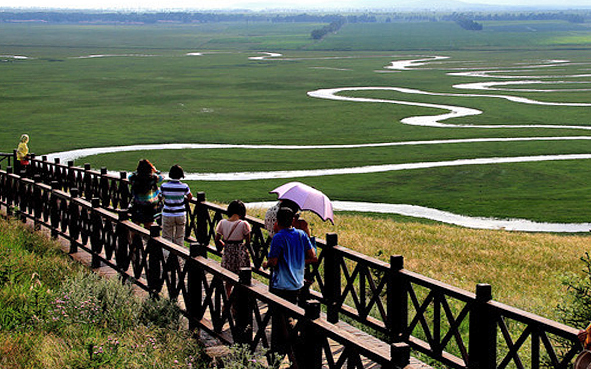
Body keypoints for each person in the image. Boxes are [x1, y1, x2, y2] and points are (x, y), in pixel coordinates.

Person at [262, 207, 317, 363]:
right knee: (290, 317)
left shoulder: (278, 237)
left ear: (277, 221)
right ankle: (294, 354)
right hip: (297, 284)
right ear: (293, 220)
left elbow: (273, 262)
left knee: (280, 323)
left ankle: (286, 355)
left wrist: (266, 264)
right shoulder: (301, 235)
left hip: (281, 285)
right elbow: (313, 256)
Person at [215, 200, 252, 295]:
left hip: (228, 251)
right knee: (241, 277)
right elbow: (248, 242)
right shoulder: (244, 224)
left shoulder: (222, 223)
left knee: (228, 278)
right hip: (240, 252)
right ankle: (237, 302)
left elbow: (217, 239)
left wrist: (223, 245)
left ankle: (227, 300)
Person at [160, 164, 192, 246]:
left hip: (167, 214)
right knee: (179, 237)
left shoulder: (164, 186)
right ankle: (179, 257)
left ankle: (166, 257)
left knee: (167, 237)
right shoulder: (184, 186)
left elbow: (160, 197)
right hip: (180, 214)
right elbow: (190, 197)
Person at [128, 159, 164, 230]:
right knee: (148, 227)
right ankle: (147, 240)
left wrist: (137, 171)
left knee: (135, 227)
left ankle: (133, 240)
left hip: (137, 205)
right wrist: (156, 171)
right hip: (150, 207)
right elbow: (162, 176)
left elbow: (129, 176)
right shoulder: (153, 178)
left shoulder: (134, 178)